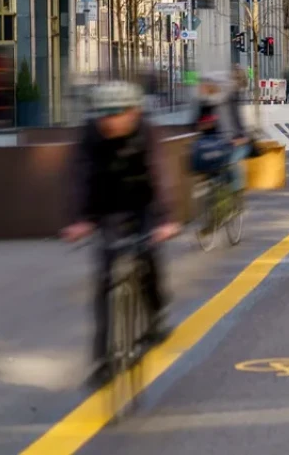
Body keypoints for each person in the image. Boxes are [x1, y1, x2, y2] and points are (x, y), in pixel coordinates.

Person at [61, 81, 180, 387]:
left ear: (134, 112)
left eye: (117, 114)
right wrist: (78, 220)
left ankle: (156, 315)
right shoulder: (90, 135)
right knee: (105, 278)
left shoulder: (147, 132)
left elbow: (160, 175)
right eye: (104, 114)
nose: (109, 121)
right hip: (106, 206)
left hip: (142, 203)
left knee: (148, 255)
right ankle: (103, 360)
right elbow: (78, 177)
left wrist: (165, 220)